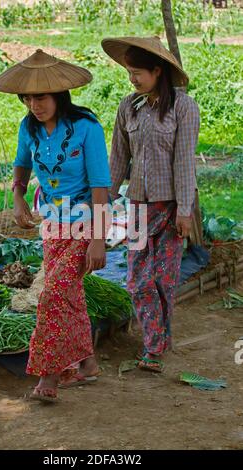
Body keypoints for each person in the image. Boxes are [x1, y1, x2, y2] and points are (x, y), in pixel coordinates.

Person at [0, 49, 111, 401]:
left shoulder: (87, 128)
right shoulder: (28, 128)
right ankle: (87, 363)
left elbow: (101, 186)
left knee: (52, 294)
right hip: (52, 227)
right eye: (27, 98)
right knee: (69, 296)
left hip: (85, 225)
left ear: (58, 94)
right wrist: (17, 196)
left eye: (40, 97)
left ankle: (50, 375)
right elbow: (21, 165)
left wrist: (99, 240)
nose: (33, 104)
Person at [102, 36, 200, 372]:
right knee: (138, 279)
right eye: (129, 72)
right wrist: (104, 201)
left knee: (164, 278)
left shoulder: (183, 108)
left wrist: (185, 210)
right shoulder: (129, 107)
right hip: (140, 210)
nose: (132, 79)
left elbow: (185, 162)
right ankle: (154, 344)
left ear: (158, 71)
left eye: (137, 73)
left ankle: (158, 341)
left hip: (171, 208)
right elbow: (117, 159)